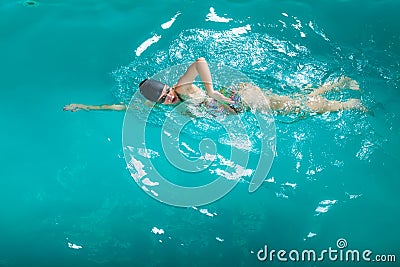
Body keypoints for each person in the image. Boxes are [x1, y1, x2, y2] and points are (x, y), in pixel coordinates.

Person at [63, 57, 366, 115]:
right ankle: (337, 85)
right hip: (235, 107)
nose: (170, 98)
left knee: (292, 108)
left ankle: (346, 103)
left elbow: (200, 61)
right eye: (165, 99)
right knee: (292, 104)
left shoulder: (181, 87)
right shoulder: (154, 103)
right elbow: (118, 107)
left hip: (240, 97)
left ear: (169, 85)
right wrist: (84, 106)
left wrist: (209, 92)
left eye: (168, 92)